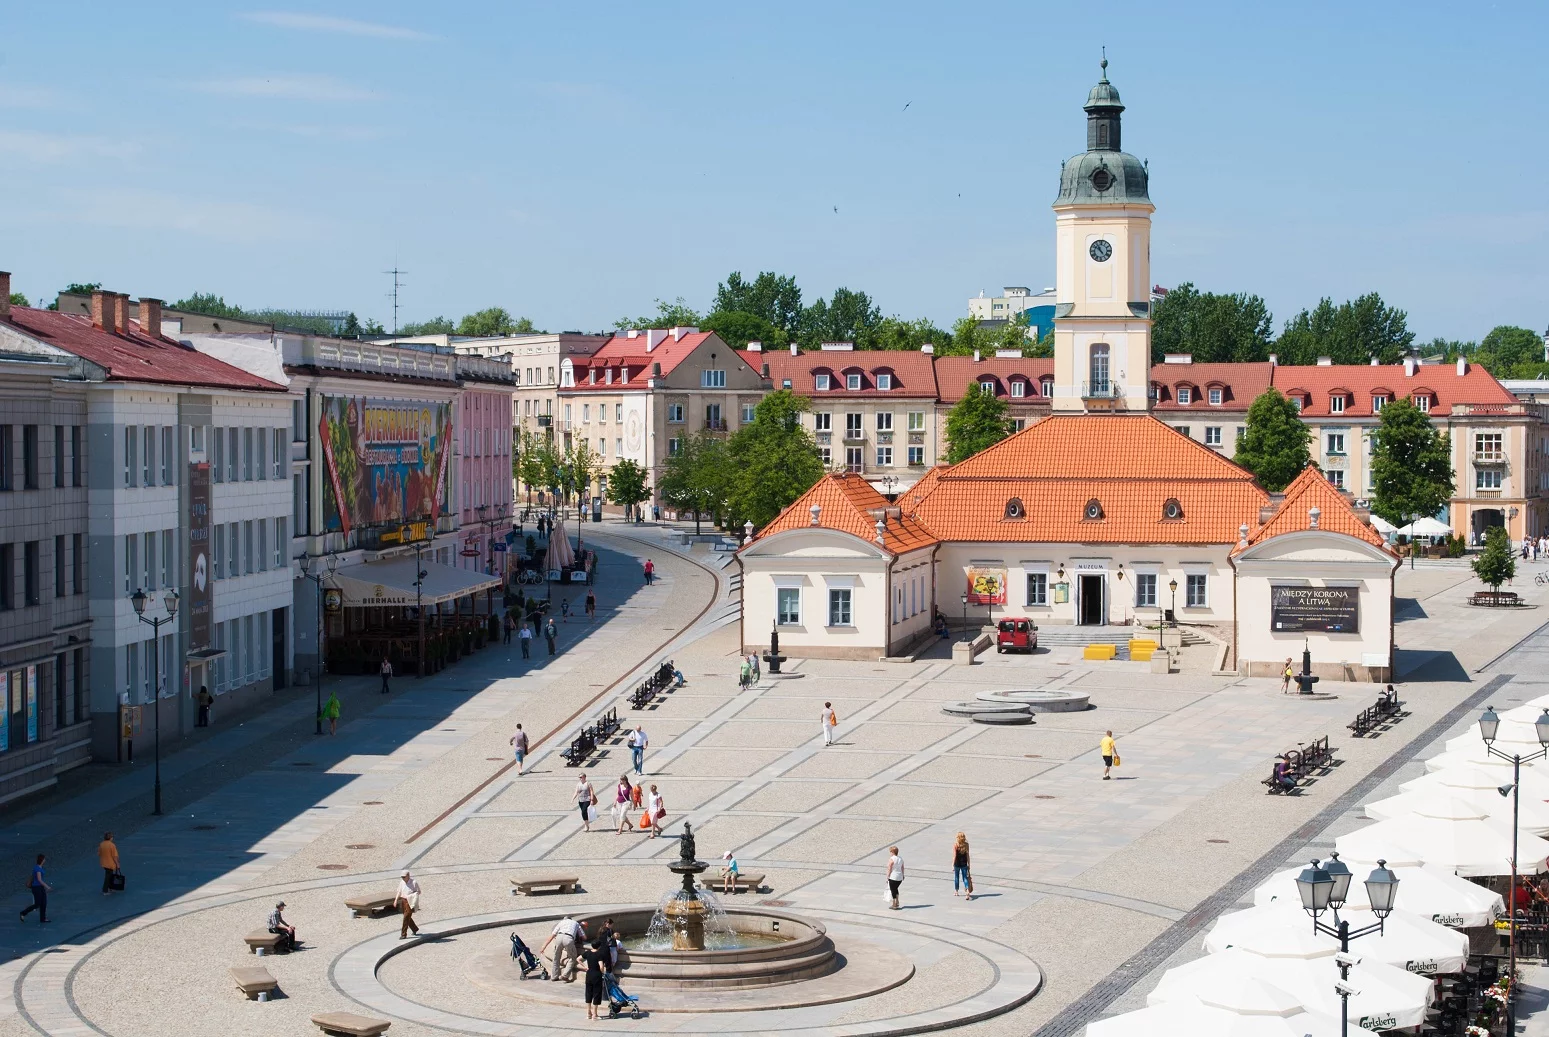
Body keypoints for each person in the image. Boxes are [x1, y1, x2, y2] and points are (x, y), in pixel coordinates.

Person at [540, 915, 585, 982]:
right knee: (572, 958)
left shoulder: (561, 922)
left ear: (565, 919)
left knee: (556, 958)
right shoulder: (576, 923)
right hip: (569, 939)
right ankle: (565, 975)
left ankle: (554, 976)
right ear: (571, 919)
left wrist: (543, 947)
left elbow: (552, 936)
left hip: (559, 938)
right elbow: (584, 937)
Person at [581, 937, 610, 1019]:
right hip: (597, 975)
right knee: (596, 994)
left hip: (589, 975)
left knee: (588, 993)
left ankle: (588, 1013)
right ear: (599, 946)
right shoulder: (599, 954)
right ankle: (595, 1014)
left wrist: (585, 967)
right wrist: (602, 972)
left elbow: (578, 959)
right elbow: (601, 966)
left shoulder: (587, 953)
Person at [20, 854, 50, 924]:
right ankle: (23, 913)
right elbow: (39, 880)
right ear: (42, 860)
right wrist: (47, 886)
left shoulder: (39, 867)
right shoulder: (37, 869)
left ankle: (43, 918)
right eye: (44, 859)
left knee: (43, 903)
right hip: (37, 888)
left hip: (40, 887)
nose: (45, 860)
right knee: (37, 904)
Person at [395, 870, 421, 939]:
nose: (403, 878)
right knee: (407, 916)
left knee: (406, 917)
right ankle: (414, 928)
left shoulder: (414, 882)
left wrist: (411, 896)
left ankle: (403, 934)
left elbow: (418, 892)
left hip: (410, 901)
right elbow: (399, 891)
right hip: (403, 901)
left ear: (408, 876)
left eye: (404, 877)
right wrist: (396, 900)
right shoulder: (402, 882)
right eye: (402, 877)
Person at [952, 833, 972, 900]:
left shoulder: (956, 845)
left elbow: (954, 856)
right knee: (965, 878)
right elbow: (967, 855)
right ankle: (967, 891)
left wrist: (952, 864)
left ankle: (956, 891)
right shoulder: (966, 845)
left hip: (957, 864)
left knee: (956, 877)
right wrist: (969, 864)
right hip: (964, 864)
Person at [885, 846, 904, 910]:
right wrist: (903, 875)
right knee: (895, 888)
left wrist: (887, 876)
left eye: (890, 851)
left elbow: (889, 868)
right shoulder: (900, 858)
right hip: (900, 877)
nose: (890, 853)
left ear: (892, 852)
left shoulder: (891, 859)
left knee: (893, 890)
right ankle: (897, 901)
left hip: (893, 877)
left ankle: (894, 904)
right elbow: (902, 867)